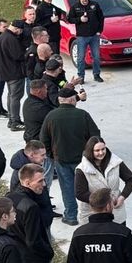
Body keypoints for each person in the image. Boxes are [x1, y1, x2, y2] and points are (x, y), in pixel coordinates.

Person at [40, 88, 101, 226]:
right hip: (84, 159)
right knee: (89, 186)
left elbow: (44, 139)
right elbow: (95, 136)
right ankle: (94, 213)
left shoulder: (51, 116)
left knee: (67, 188)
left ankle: (71, 216)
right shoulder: (82, 115)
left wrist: (51, 155)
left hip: (61, 159)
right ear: (73, 100)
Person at [75, 137, 132, 226]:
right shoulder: (82, 169)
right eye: (97, 150)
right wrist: (101, 201)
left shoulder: (115, 162)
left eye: (103, 149)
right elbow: (80, 193)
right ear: (90, 151)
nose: (101, 153)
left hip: (116, 211)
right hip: (93, 214)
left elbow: (131, 179)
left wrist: (122, 197)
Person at [68, 0, 105, 83]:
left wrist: (99, 31)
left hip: (94, 36)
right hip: (82, 36)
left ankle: (96, 75)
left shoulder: (94, 5)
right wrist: (79, 19)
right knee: (80, 58)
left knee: (96, 57)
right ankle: (81, 77)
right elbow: (70, 19)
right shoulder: (75, 7)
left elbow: (101, 18)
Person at [0, 20, 26, 131]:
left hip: (7, 72)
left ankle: (11, 120)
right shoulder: (11, 39)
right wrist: (26, 53)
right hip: (14, 72)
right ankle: (15, 121)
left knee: (11, 96)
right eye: (20, 30)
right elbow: (18, 55)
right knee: (15, 97)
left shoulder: (3, 36)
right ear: (17, 28)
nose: (21, 33)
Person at [22, 80, 55, 144]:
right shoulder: (38, 107)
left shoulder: (29, 101)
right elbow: (55, 117)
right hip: (38, 141)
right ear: (38, 91)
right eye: (45, 89)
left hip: (32, 137)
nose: (47, 91)